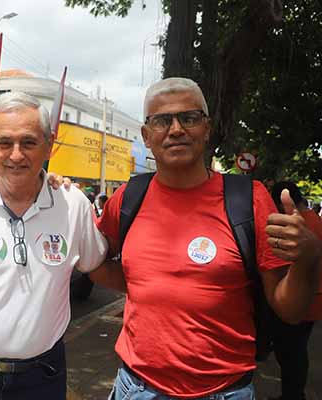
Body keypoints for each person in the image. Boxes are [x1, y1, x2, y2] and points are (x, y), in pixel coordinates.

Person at [91, 77, 321, 399]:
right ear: (146, 136)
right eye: (162, 121)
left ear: (207, 128)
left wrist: (308, 257)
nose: (176, 130)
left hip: (225, 391)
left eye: (189, 118)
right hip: (137, 387)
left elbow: (289, 310)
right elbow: (95, 261)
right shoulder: (129, 198)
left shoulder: (248, 200)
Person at [0, 92, 108, 400]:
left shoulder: (73, 204)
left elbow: (93, 263)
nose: (16, 155)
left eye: (28, 142)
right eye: (4, 143)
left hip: (43, 374)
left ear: (49, 144)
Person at [269, 181, 322, 400]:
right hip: (314, 298)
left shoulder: (300, 225)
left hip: (304, 298)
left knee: (291, 353)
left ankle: (293, 396)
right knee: (296, 351)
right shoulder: (315, 220)